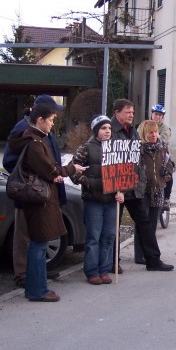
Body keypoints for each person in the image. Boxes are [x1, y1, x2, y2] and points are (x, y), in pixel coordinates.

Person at [7, 104, 86, 302]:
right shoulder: (34, 142)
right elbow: (50, 170)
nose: (52, 124)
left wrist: (55, 174)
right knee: (39, 244)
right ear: (40, 120)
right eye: (50, 120)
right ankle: (37, 290)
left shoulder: (35, 139)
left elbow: (46, 171)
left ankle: (39, 287)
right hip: (39, 201)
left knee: (39, 244)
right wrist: (70, 169)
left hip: (40, 198)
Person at [3, 95, 66, 288]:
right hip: (30, 193)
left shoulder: (43, 129)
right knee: (24, 236)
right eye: (52, 116)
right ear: (40, 114)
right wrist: (36, 174)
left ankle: (37, 270)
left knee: (39, 235)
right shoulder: (24, 130)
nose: (54, 121)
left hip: (46, 190)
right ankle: (23, 274)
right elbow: (9, 161)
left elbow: (51, 159)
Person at [111, 99, 174, 272]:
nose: (132, 115)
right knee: (114, 225)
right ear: (117, 113)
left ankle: (153, 260)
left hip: (133, 187)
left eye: (132, 112)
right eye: (128, 112)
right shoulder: (110, 130)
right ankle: (113, 262)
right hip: (116, 187)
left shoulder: (132, 131)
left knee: (145, 223)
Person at [71, 115, 124, 285]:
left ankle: (105, 269)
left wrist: (121, 190)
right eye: (103, 128)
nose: (108, 131)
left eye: (109, 128)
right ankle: (92, 271)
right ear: (96, 131)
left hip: (111, 201)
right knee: (94, 236)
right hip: (93, 201)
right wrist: (90, 183)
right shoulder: (85, 149)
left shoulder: (117, 148)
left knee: (109, 236)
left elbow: (124, 173)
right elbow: (73, 173)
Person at [133, 120, 172, 263]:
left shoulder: (162, 148)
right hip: (143, 190)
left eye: (155, 132)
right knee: (142, 223)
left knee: (153, 223)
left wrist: (167, 170)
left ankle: (150, 254)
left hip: (158, 189)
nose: (154, 135)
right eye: (150, 132)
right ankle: (139, 255)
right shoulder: (138, 149)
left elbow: (169, 164)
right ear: (144, 133)